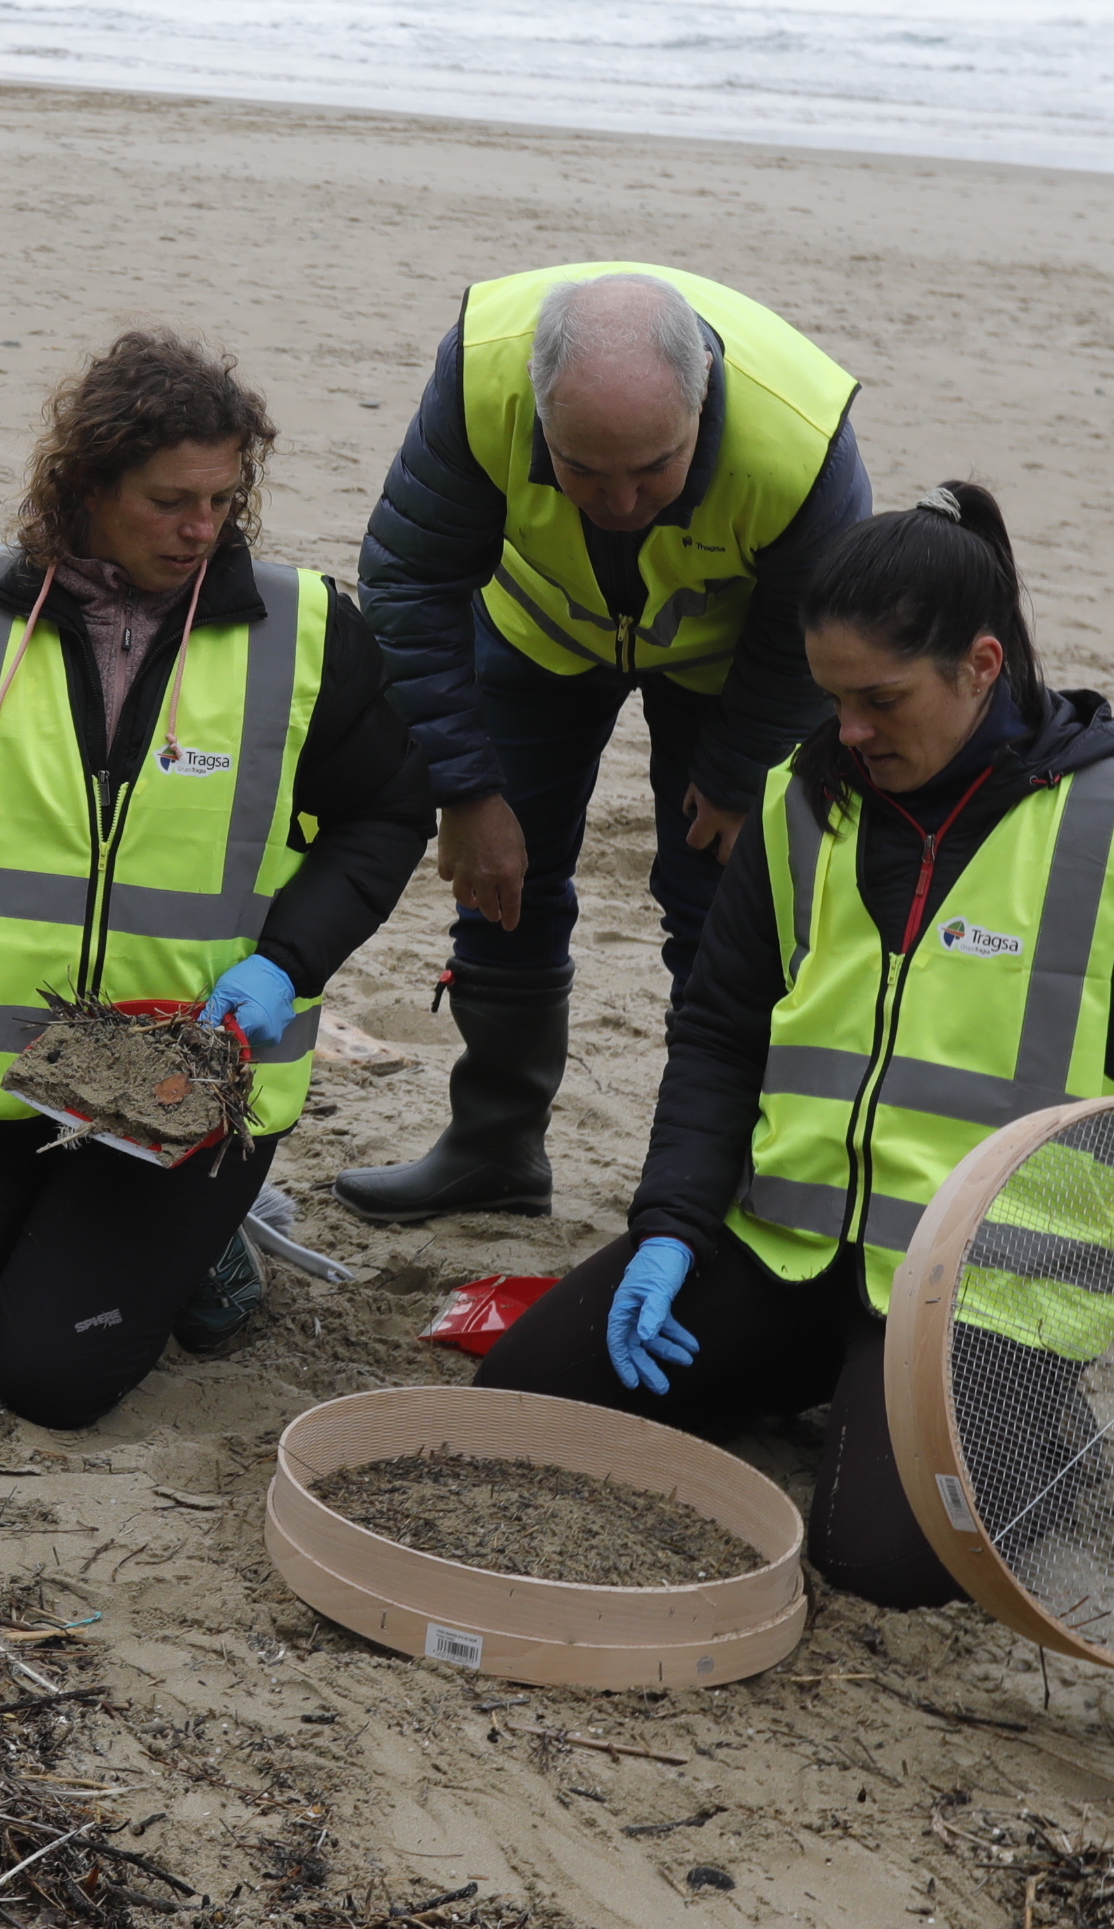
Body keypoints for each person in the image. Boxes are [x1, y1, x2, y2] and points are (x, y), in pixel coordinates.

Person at [469, 481, 1114, 1604]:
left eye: (880, 700)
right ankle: (818, 1378)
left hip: (992, 1296)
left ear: (982, 667)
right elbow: (721, 1034)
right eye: (833, 696)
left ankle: (1042, 1438)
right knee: (523, 1391)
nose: (850, 731)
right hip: (785, 1248)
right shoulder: (800, 802)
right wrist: (672, 1228)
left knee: (878, 1563)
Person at [0, 331, 432, 1426]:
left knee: (52, 1377)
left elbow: (387, 815)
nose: (204, 530)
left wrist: (287, 964)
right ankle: (69, 1228)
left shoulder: (303, 632)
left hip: (190, 1087)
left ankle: (210, 1252)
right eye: (170, 502)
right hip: (9, 1074)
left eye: (224, 499)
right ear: (88, 485)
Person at [336, 264, 874, 1224]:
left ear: (703, 409)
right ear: (540, 417)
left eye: (652, 470)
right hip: (538, 632)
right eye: (583, 470)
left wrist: (742, 774)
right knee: (502, 885)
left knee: (726, 910)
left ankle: (717, 1183)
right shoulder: (482, 378)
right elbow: (409, 582)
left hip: (732, 664)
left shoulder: (802, 438)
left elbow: (817, 631)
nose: (620, 502)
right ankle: (493, 1147)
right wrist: (464, 790)